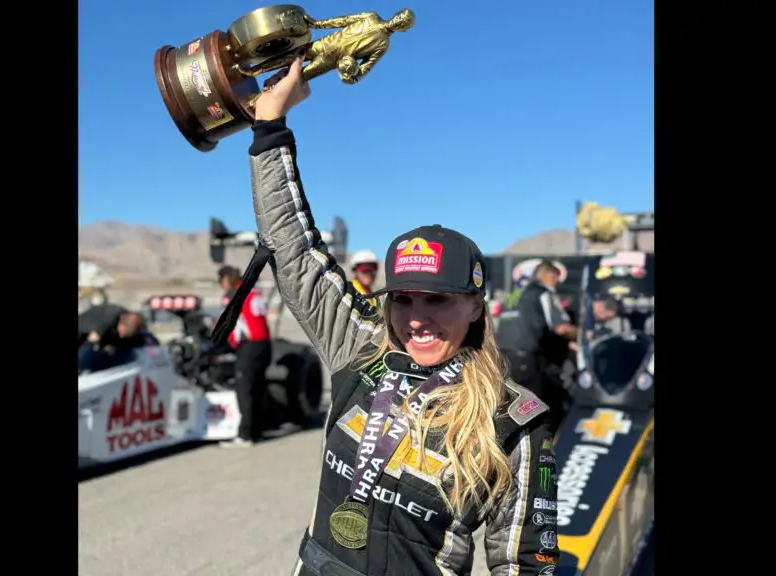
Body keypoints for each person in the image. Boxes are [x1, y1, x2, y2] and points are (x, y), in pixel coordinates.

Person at [239, 56, 559, 575]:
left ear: (476, 304)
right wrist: (271, 125)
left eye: (439, 299)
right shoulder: (360, 350)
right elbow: (293, 249)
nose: (416, 319)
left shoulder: (514, 421)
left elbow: (527, 564)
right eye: (404, 299)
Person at [494, 261, 575, 431]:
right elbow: (561, 327)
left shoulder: (515, 294)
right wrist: (581, 336)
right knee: (533, 412)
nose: (557, 284)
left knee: (507, 409)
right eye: (556, 279)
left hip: (501, 358)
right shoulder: (543, 293)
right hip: (526, 359)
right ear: (549, 276)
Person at [216, 265, 282, 448]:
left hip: (250, 347)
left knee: (244, 390)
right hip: (265, 345)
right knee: (258, 388)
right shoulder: (253, 291)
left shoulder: (232, 295)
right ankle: (257, 431)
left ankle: (245, 435)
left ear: (227, 279)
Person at [77, 303, 147, 372]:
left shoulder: (132, 322)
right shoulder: (108, 321)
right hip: (84, 330)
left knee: (128, 353)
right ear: (120, 324)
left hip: (106, 335)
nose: (121, 336)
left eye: (126, 334)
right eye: (122, 332)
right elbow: (91, 340)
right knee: (85, 358)